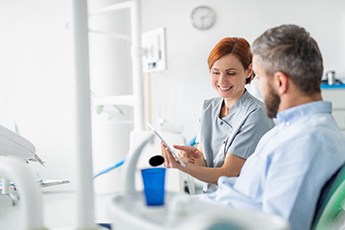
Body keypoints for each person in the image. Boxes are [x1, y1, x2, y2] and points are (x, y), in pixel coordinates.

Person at [193, 24, 345, 230]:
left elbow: (278, 225)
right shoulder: (288, 130)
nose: (256, 87)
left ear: (280, 82)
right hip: (215, 209)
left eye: (259, 77)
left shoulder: (307, 140)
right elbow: (241, 192)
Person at [162, 37, 275, 193]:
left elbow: (228, 174)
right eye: (216, 72)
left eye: (231, 73)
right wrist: (194, 159)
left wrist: (184, 167)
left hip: (239, 204)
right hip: (212, 199)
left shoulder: (256, 114)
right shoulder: (209, 108)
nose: (222, 81)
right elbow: (205, 164)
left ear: (248, 71)